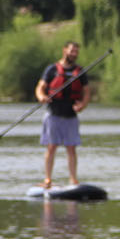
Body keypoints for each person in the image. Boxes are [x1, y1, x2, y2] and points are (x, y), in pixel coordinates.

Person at [35, 40, 89, 189]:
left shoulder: (80, 71)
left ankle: (73, 179)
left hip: (71, 116)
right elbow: (40, 88)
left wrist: (82, 106)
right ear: (64, 50)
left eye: (76, 52)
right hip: (53, 115)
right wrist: (41, 97)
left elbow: (87, 93)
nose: (74, 54)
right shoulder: (51, 69)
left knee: (71, 148)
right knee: (51, 147)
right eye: (72, 51)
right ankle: (48, 179)